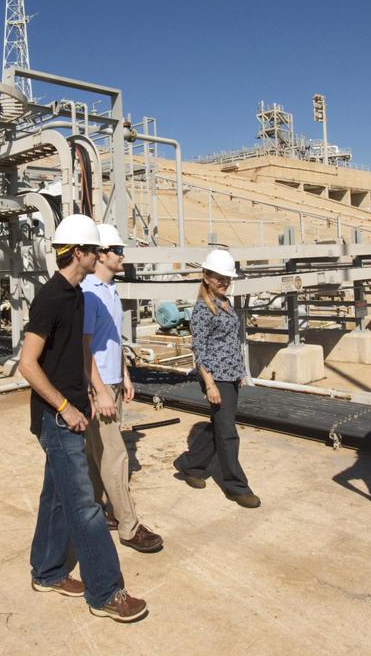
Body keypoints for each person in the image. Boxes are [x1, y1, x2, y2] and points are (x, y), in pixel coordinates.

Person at [19, 213, 148, 623]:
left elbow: (80, 352)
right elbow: (27, 364)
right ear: (78, 252)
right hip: (57, 421)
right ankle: (105, 592)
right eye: (94, 249)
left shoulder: (77, 295)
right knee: (87, 508)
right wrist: (66, 407)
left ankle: (48, 570)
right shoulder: (52, 298)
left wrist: (96, 390)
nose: (100, 255)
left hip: (74, 412)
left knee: (55, 498)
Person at [83, 223, 163, 553]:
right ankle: (129, 527)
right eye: (117, 251)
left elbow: (112, 340)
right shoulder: (89, 293)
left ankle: (102, 509)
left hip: (112, 383)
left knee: (97, 455)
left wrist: (124, 374)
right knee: (115, 456)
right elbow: (83, 348)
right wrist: (100, 391)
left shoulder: (111, 290)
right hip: (97, 387)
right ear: (101, 255)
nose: (122, 256)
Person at [174, 248, 260, 508]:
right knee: (227, 433)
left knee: (219, 425)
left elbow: (231, 341)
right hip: (214, 376)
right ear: (206, 277)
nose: (224, 282)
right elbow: (199, 350)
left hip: (230, 374)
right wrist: (209, 384)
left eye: (227, 278)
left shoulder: (224, 302)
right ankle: (236, 486)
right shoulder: (203, 309)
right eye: (219, 277)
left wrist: (239, 372)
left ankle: (190, 464)